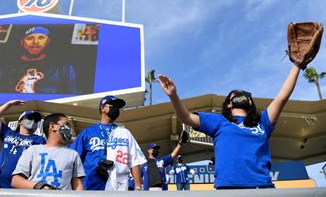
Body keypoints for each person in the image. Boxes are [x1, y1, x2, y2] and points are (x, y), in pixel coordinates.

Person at [159, 62, 303, 189]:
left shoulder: (262, 121)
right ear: (228, 103)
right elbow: (186, 117)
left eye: (243, 93)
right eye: (235, 94)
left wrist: (297, 65)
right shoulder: (220, 121)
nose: (239, 93)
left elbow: (281, 98)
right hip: (228, 189)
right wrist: (173, 96)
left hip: (262, 187)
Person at [71, 95, 146, 190]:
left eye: (117, 107)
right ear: (102, 108)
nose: (115, 108)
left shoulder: (125, 133)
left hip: (119, 189)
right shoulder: (87, 133)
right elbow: (74, 160)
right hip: (92, 187)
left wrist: (138, 187)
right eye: (112, 105)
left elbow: (135, 161)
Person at [12, 113, 85, 190]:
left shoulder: (73, 154)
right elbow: (16, 181)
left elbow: (78, 186)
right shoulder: (32, 151)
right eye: (66, 125)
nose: (70, 129)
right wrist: (40, 186)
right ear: (52, 126)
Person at [0, 100, 46, 188]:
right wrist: (9, 104)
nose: (33, 121)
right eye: (30, 118)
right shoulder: (8, 133)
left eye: (36, 120)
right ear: (20, 121)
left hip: (19, 183)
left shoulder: (39, 140)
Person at [2, 26, 77, 94]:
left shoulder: (63, 67)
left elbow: (73, 96)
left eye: (41, 38)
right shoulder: (5, 66)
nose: (35, 42)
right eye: (30, 38)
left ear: (48, 41)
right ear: (22, 42)